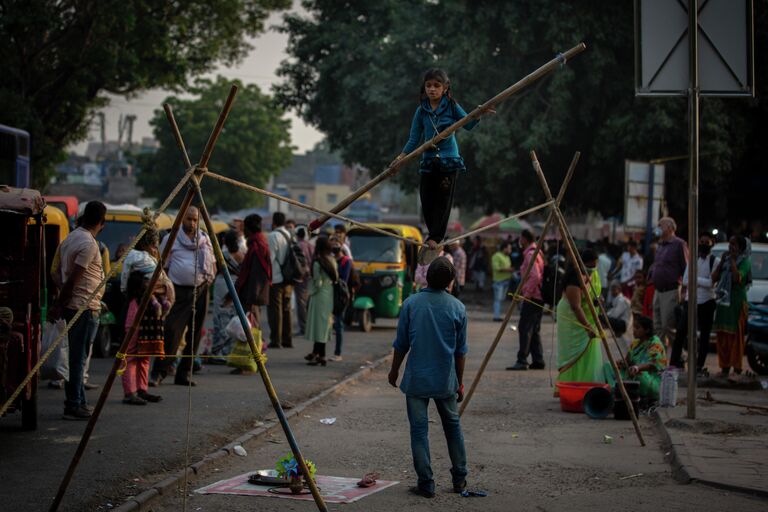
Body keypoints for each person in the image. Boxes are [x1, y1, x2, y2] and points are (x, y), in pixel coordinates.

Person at [388, 257, 468, 498]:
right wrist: (459, 382)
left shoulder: (411, 304)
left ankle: (426, 483)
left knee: (419, 431)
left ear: (426, 277)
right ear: (450, 281)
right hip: (445, 380)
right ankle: (460, 480)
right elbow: (460, 352)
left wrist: (394, 371)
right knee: (453, 428)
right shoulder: (457, 307)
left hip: (417, 379)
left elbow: (401, 344)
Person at [392, 68, 494, 250]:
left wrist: (479, 113)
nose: (432, 89)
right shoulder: (421, 111)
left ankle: (435, 238)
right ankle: (432, 235)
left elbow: (468, 124)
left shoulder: (452, 106)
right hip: (429, 162)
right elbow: (414, 139)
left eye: (436, 86)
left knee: (443, 200)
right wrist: (401, 157)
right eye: (428, 85)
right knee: (426, 198)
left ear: (445, 88)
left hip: (448, 161)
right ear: (424, 88)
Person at [50, 201, 107, 420]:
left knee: (79, 358)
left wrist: (61, 301)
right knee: (78, 359)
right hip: (83, 307)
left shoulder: (71, 238)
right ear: (101, 223)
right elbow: (74, 278)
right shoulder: (89, 244)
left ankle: (79, 401)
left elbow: (55, 273)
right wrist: (60, 304)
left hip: (78, 305)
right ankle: (73, 404)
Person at [152, 206, 216, 387]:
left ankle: (184, 373)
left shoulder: (204, 239)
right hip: (178, 291)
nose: (192, 223)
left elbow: (212, 263)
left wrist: (207, 280)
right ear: (181, 219)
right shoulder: (170, 239)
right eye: (189, 219)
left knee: (195, 335)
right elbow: (162, 267)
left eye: (195, 220)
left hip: (201, 290)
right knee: (172, 331)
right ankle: (159, 371)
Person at [670, 234, 717, 373]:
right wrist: (701, 281)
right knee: (680, 333)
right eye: (701, 242)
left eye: (706, 242)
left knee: (704, 336)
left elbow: (711, 284)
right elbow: (685, 281)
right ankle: (673, 363)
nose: (703, 244)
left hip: (707, 301)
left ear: (712, 243)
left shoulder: (715, 261)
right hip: (691, 301)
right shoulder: (693, 260)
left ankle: (699, 366)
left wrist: (695, 279)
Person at [556, 250, 603, 387]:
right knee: (573, 351)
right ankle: (570, 384)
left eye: (595, 266)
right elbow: (576, 306)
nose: (592, 269)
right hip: (571, 316)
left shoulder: (592, 274)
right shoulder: (574, 278)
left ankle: (585, 383)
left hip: (585, 314)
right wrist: (587, 326)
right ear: (582, 264)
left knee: (587, 349)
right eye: (590, 266)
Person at [121, 270, 169, 405]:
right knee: (130, 357)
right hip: (135, 329)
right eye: (147, 281)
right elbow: (131, 323)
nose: (150, 283)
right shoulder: (134, 301)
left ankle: (142, 389)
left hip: (145, 329)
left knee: (144, 357)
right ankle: (129, 392)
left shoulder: (151, 298)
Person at [712, 235, 752, 378]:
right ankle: (724, 367)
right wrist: (723, 261)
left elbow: (737, 278)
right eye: (730, 244)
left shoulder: (745, 261)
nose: (730, 247)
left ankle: (736, 368)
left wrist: (734, 262)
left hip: (736, 303)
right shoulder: (725, 260)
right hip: (723, 302)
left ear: (741, 248)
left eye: (734, 244)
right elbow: (714, 278)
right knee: (722, 335)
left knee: (736, 337)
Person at [604, 315, 667, 401]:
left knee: (639, 374)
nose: (634, 330)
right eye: (634, 327)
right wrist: (621, 363)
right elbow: (628, 361)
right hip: (632, 373)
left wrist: (637, 368)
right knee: (608, 365)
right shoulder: (635, 342)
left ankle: (622, 391)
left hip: (651, 379)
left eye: (637, 328)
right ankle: (615, 391)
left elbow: (653, 365)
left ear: (647, 330)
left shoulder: (655, 343)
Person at [507, 230, 545, 371]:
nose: (519, 240)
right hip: (537, 296)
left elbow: (535, 276)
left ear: (525, 238)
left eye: (521, 238)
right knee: (534, 329)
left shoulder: (531, 254)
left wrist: (527, 294)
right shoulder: (535, 252)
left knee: (525, 328)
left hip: (533, 296)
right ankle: (538, 359)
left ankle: (522, 360)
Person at [649, 217, 688, 345]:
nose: (658, 227)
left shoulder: (679, 244)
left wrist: (684, 291)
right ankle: (660, 358)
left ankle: (681, 355)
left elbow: (686, 269)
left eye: (661, 225)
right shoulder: (660, 244)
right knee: (657, 327)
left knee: (668, 326)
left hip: (670, 291)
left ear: (670, 228)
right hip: (658, 291)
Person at [210, 230, 245, 363]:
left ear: (225, 242)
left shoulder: (221, 255)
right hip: (236, 286)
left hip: (222, 284)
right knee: (234, 319)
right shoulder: (243, 256)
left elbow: (215, 270)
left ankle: (218, 351)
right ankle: (230, 350)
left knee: (220, 317)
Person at [304, 236, 337, 366]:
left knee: (318, 327)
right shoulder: (332, 260)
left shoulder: (318, 262)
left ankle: (321, 356)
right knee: (324, 327)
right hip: (329, 296)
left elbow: (317, 283)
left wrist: (310, 291)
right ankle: (317, 353)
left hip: (319, 296)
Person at [235, 214, 272, 326]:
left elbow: (257, 276)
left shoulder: (257, 247)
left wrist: (251, 300)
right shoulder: (257, 243)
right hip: (251, 295)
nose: (243, 231)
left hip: (251, 297)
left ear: (249, 229)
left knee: (251, 329)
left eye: (244, 228)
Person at [267, 212, 294, 348]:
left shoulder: (273, 236)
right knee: (286, 309)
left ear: (273, 222)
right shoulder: (289, 235)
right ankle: (287, 339)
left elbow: (270, 259)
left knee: (275, 310)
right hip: (289, 278)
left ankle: (276, 340)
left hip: (277, 278)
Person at [330, 235, 352, 361]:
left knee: (339, 324)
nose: (334, 247)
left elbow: (344, 279)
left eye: (336, 244)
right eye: (332, 245)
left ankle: (338, 353)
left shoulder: (346, 261)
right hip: (329, 294)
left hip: (340, 296)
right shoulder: (330, 259)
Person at [294, 227, 314, 335]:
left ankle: (304, 327)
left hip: (301, 277)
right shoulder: (310, 245)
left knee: (301, 303)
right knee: (307, 302)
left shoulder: (298, 245)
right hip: (310, 277)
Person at [491, 241, 514, 321]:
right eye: (509, 248)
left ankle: (498, 315)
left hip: (506, 281)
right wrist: (509, 270)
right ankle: (496, 316)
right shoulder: (496, 256)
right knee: (497, 299)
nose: (510, 250)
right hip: (499, 282)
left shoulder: (507, 257)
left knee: (501, 299)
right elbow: (496, 268)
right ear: (504, 248)